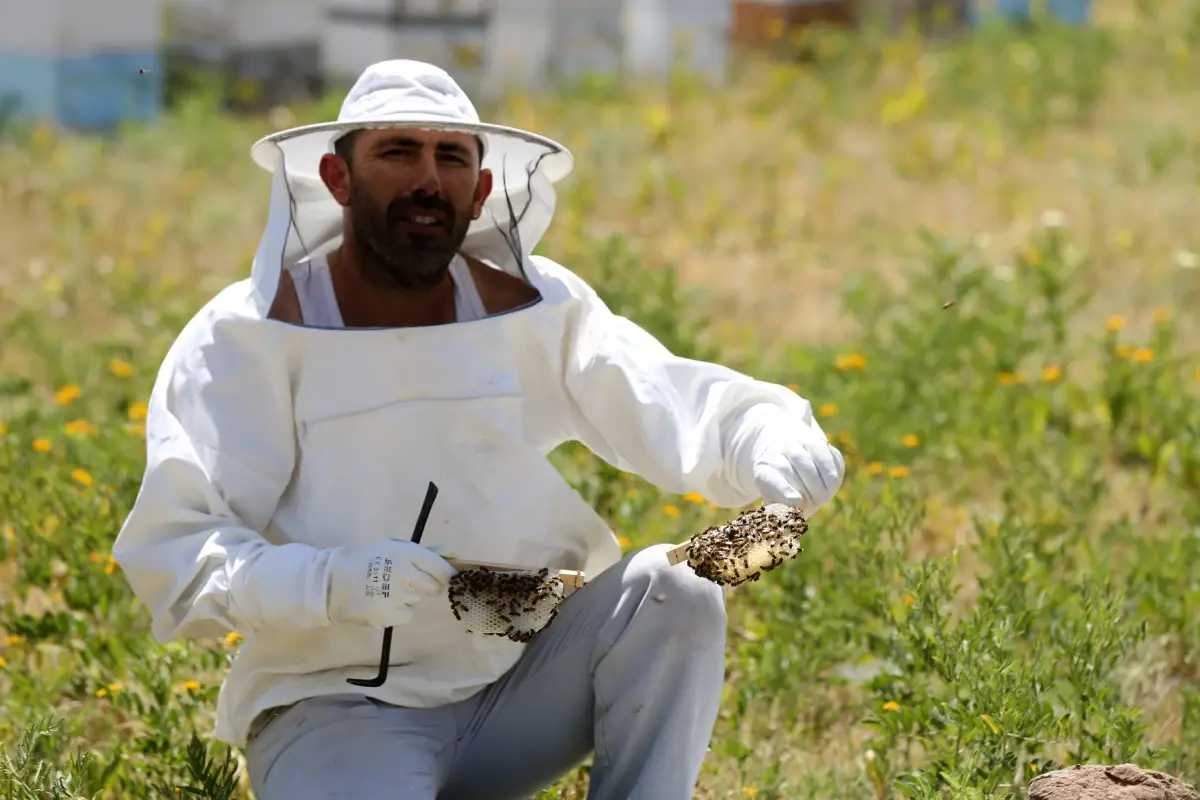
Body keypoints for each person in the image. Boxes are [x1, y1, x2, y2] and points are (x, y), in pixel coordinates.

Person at [112, 59, 845, 800]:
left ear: (482, 189)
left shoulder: (534, 308)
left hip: (518, 686)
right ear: (338, 178)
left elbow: (666, 399)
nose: (428, 180)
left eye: (451, 157)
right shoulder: (243, 339)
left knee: (675, 591)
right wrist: (332, 583)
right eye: (399, 151)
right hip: (334, 711)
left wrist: (767, 435)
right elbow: (176, 557)